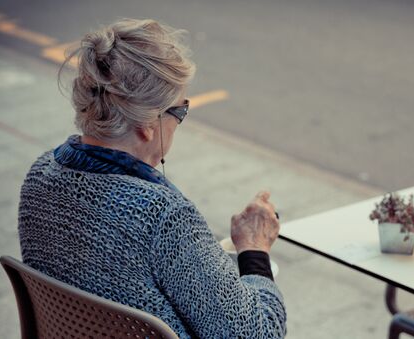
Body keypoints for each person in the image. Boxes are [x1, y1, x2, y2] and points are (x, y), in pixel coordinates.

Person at [18, 18, 286, 338]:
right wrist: (255, 249)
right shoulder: (160, 217)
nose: (179, 123)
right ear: (148, 123)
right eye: (179, 112)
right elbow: (258, 334)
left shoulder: (39, 176)